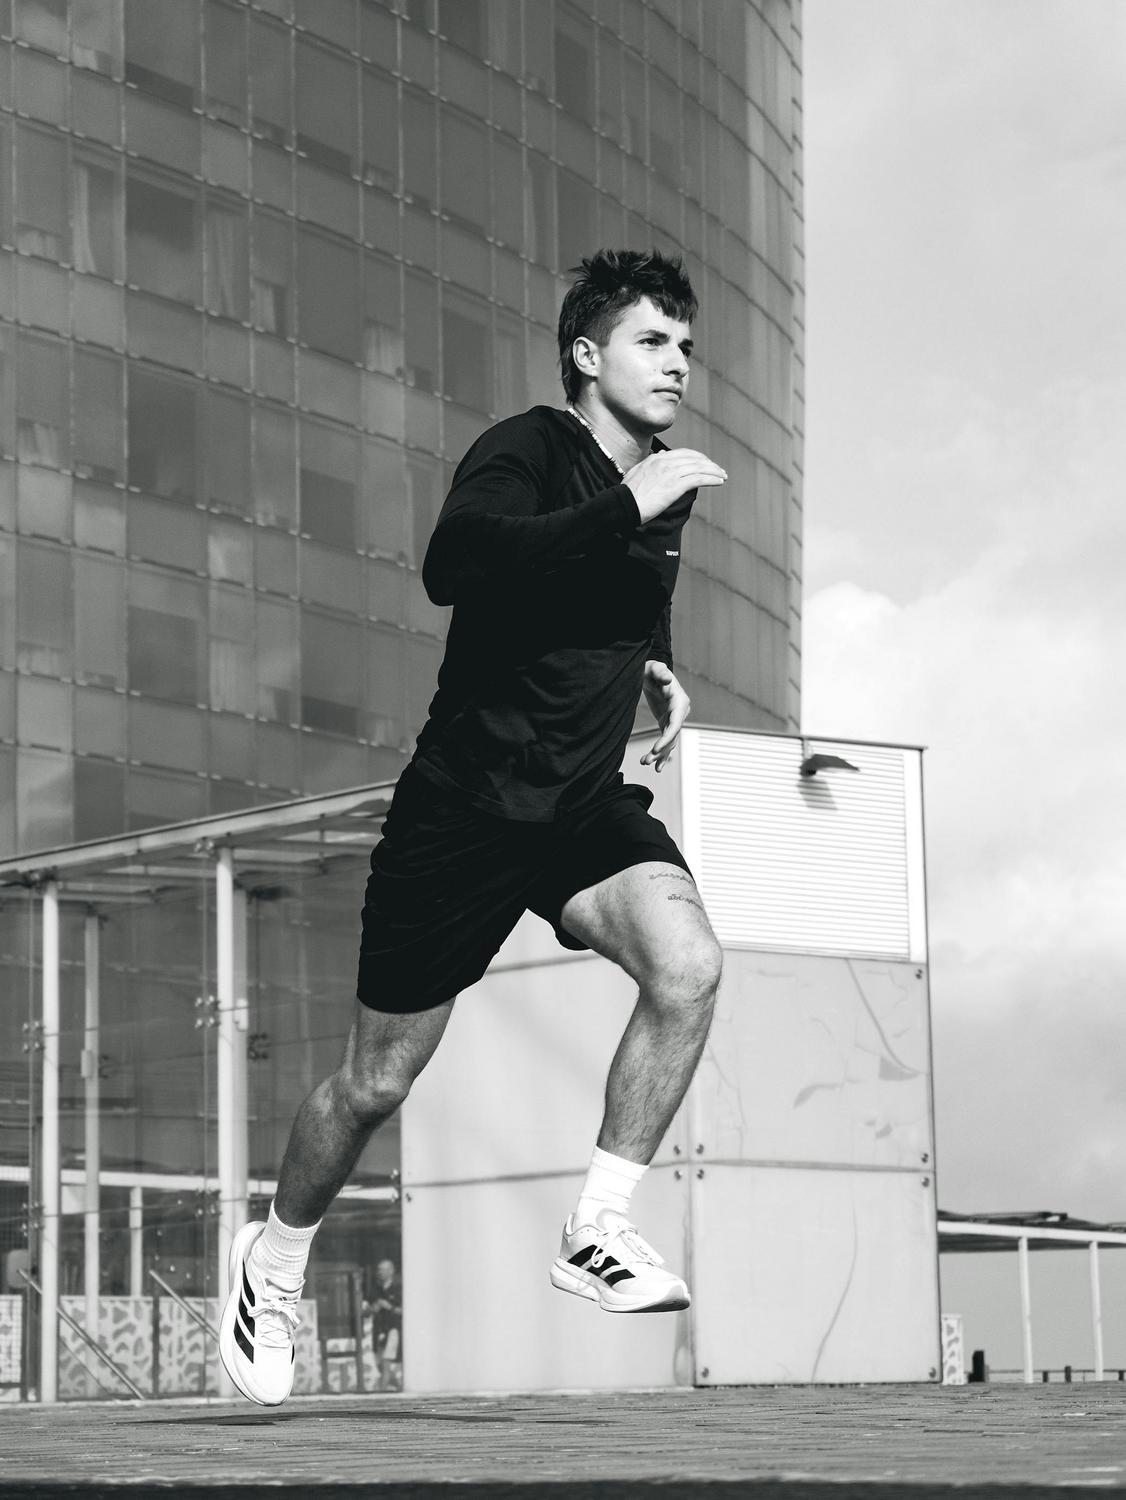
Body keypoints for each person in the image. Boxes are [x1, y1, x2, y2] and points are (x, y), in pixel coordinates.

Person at [219, 249, 727, 1406]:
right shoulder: (527, 449)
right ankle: (276, 1260)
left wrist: (658, 666)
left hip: (582, 808)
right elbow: (456, 563)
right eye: (654, 343)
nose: (679, 366)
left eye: (687, 348)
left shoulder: (669, 481)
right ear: (587, 355)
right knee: (376, 1083)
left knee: (688, 967)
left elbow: (618, 598)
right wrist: (620, 507)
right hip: (464, 808)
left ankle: (597, 1226)